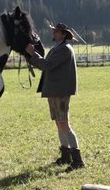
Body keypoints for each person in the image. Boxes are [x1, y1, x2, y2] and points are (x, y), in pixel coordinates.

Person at [25, 23, 85, 171]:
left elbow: (47, 65)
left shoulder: (64, 49)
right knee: (59, 123)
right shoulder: (58, 48)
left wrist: (32, 54)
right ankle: (66, 156)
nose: (53, 32)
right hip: (54, 90)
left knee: (64, 123)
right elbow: (46, 64)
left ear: (63, 34)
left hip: (60, 91)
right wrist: (32, 56)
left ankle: (78, 160)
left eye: (56, 31)